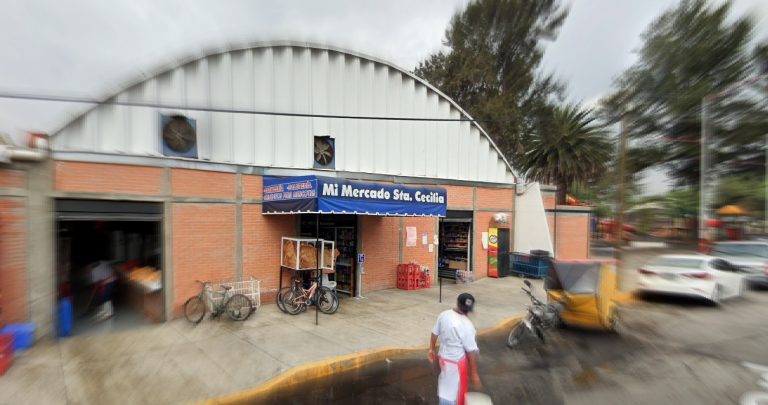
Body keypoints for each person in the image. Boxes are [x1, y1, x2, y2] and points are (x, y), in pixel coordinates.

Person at [428, 292, 481, 405]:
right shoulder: (467, 325)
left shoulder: (444, 314)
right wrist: (474, 373)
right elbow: (471, 352)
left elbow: (434, 333)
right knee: (455, 393)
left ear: (457, 303)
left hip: (443, 359)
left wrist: (431, 349)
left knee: (444, 386)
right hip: (457, 363)